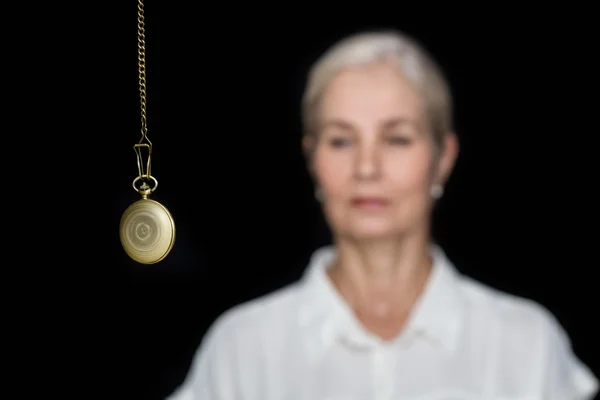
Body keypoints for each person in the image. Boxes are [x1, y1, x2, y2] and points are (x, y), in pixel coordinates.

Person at [168, 30, 598, 399]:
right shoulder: (243, 348)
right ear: (311, 157)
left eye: (397, 139)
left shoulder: (526, 343)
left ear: (442, 158)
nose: (367, 168)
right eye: (341, 141)